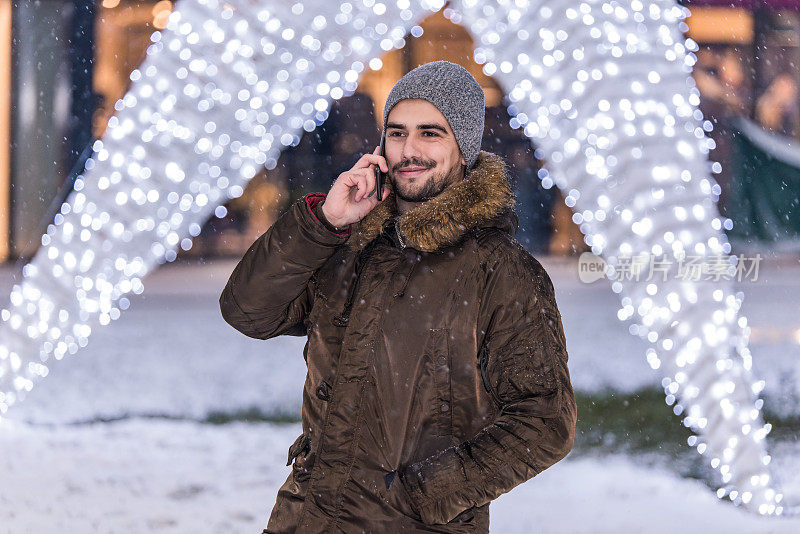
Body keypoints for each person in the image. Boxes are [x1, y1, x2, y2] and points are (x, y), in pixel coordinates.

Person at [219, 60, 576, 533]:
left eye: (431, 133)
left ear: (464, 148)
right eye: (397, 132)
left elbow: (545, 419)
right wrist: (324, 223)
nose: (410, 150)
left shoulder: (501, 270)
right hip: (306, 519)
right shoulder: (348, 245)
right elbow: (248, 311)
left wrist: (426, 495)